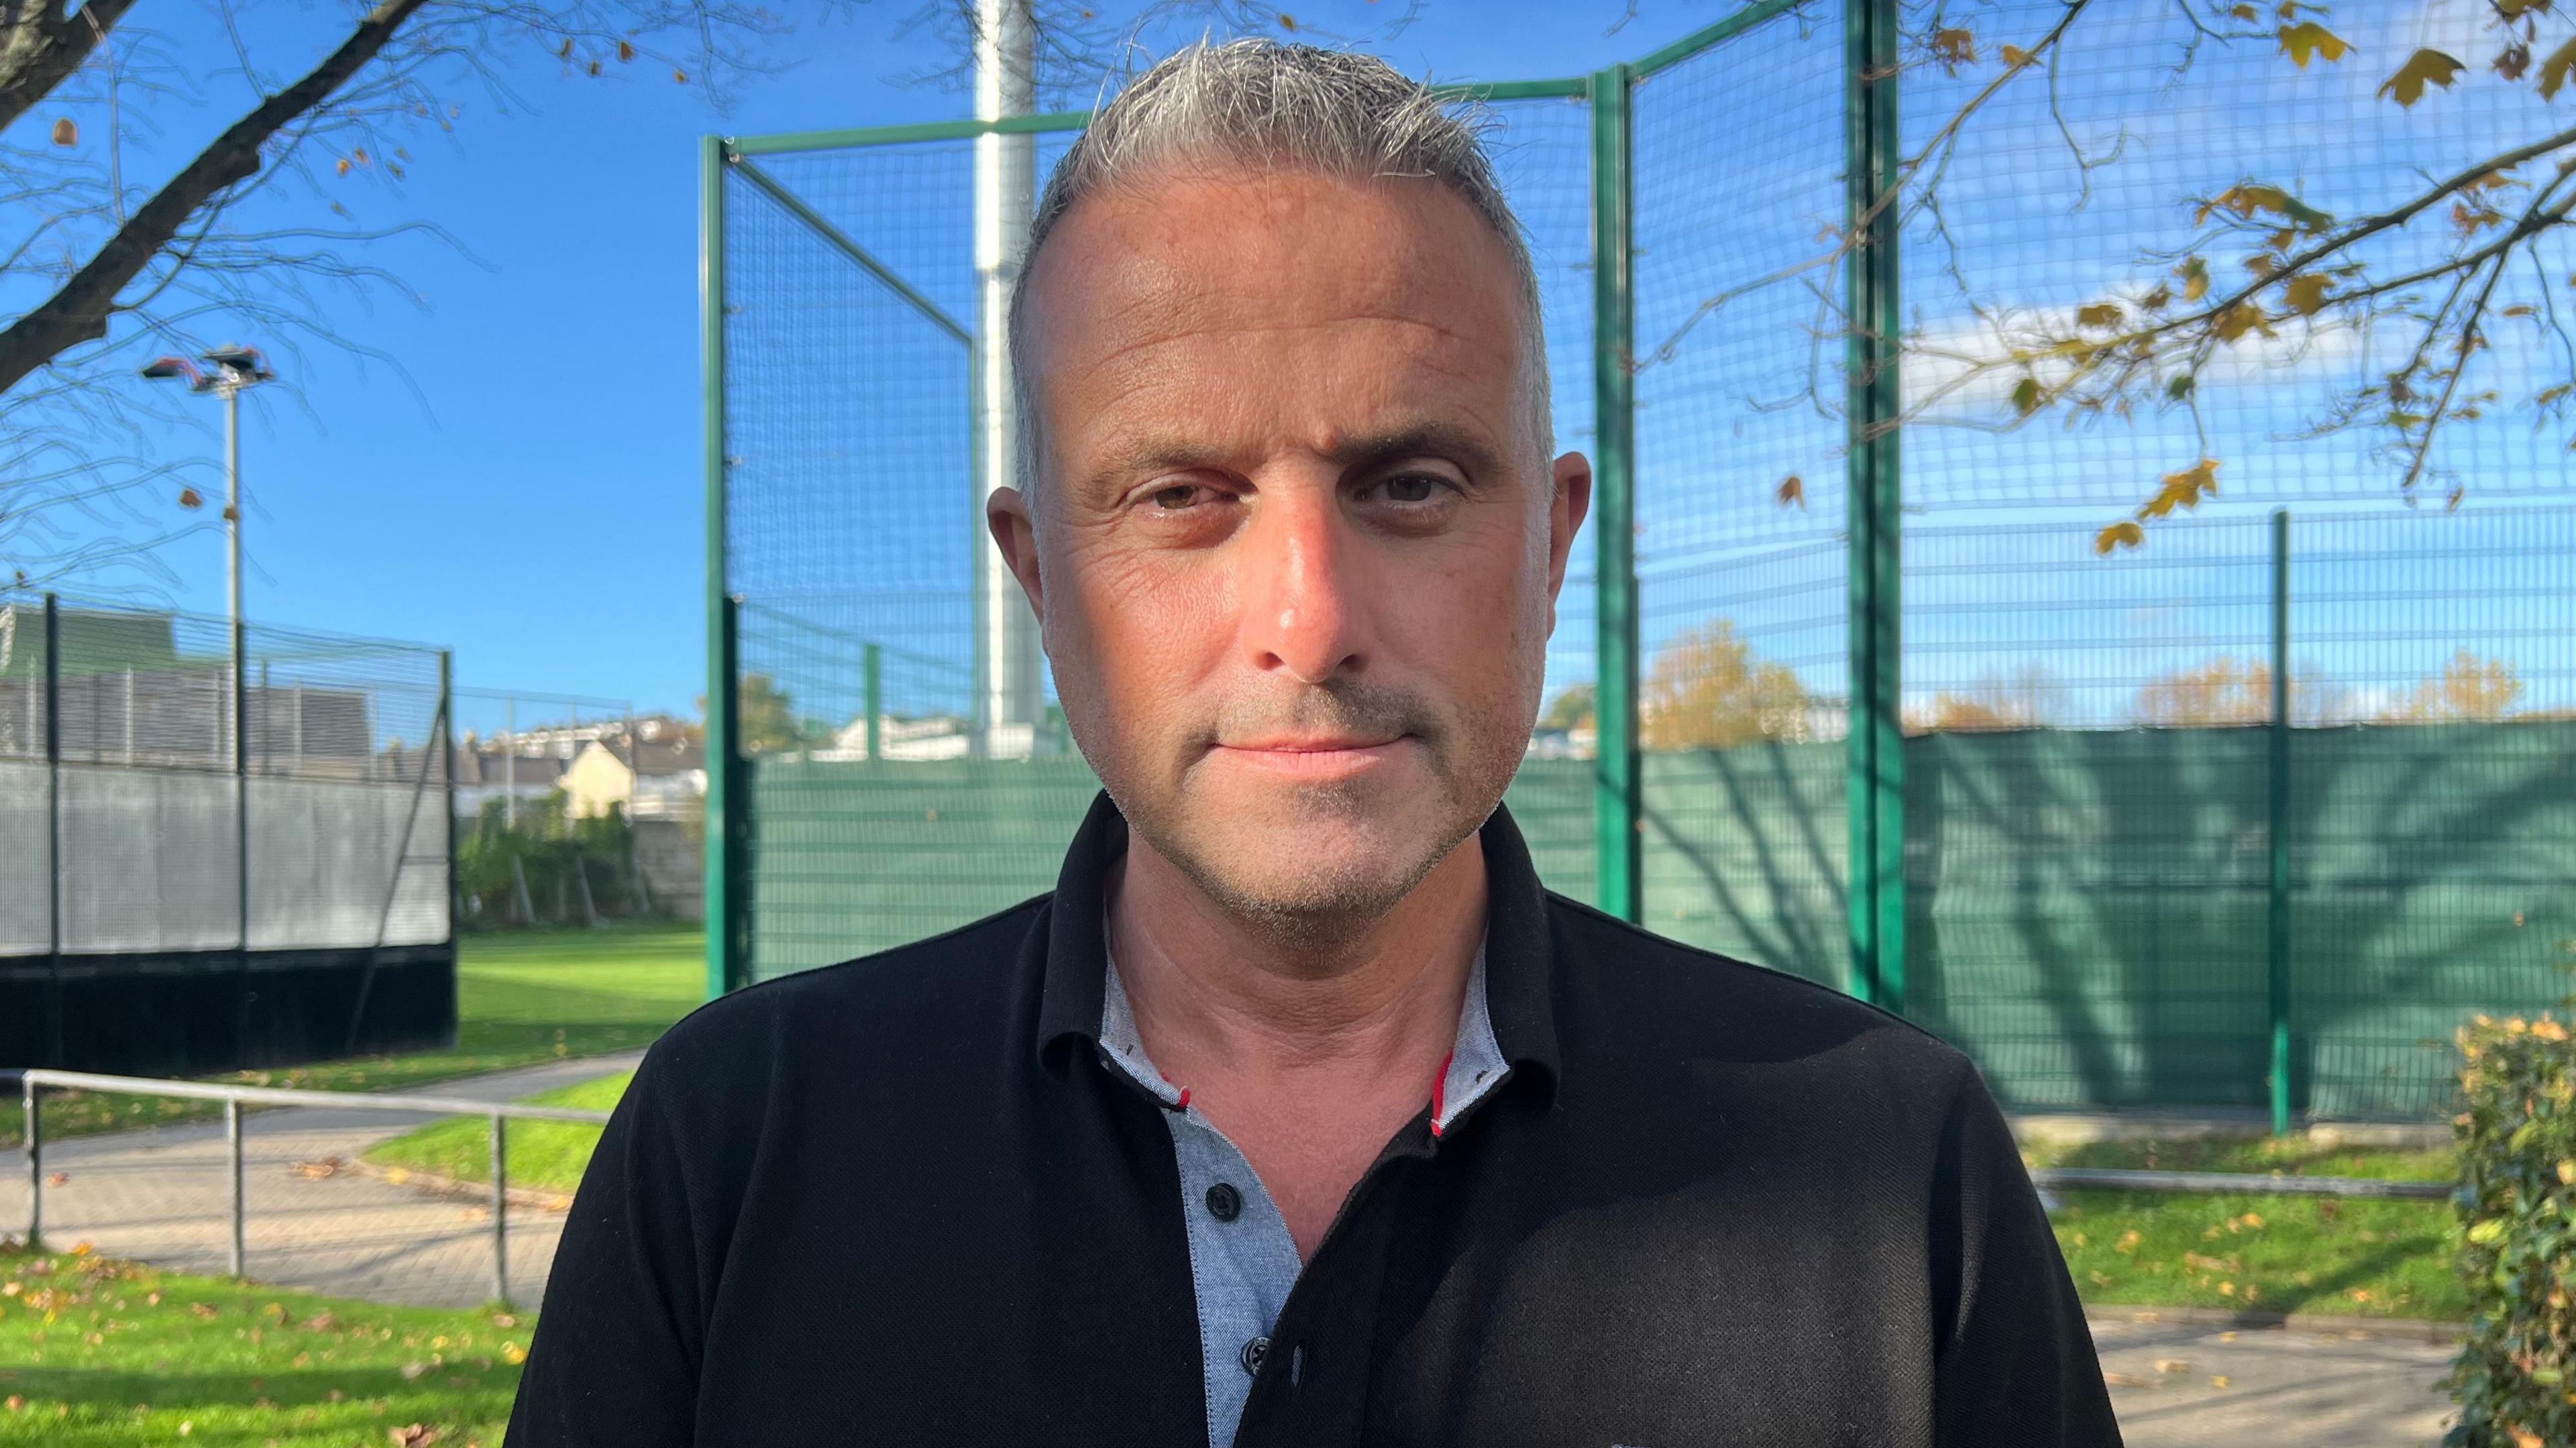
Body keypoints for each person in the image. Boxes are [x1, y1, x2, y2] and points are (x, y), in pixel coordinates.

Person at [508, 38, 2120, 1448]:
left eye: (1410, 485)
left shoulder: (1896, 1168)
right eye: (1180, 495)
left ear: (1551, 545)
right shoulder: (731, 1148)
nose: (1311, 617)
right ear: (1038, 580)